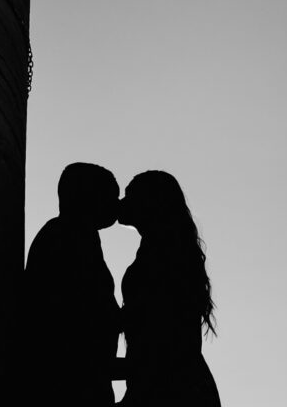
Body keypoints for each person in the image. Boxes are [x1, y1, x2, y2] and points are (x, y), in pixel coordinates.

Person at [117, 170, 221, 406]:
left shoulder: (163, 257)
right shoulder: (163, 251)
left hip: (171, 388)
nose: (121, 203)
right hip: (174, 384)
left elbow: (159, 333)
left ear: (150, 203)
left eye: (130, 196)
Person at [23, 162, 122, 406]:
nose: (117, 204)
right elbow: (76, 313)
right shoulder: (65, 236)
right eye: (111, 196)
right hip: (69, 384)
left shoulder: (78, 236)